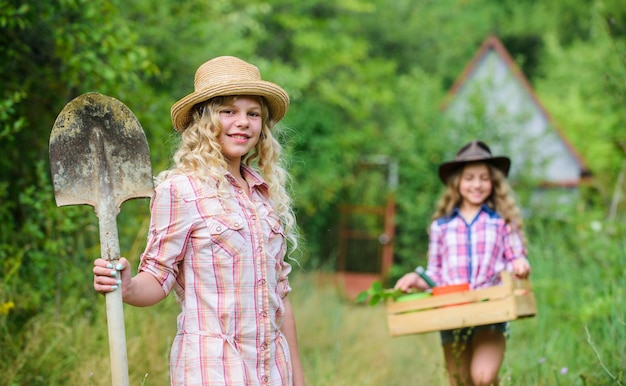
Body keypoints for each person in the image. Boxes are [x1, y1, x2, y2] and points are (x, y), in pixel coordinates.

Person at [93, 56, 305, 386]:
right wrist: (128, 286)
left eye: (253, 114)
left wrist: (297, 379)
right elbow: (158, 277)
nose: (243, 123)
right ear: (204, 120)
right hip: (213, 370)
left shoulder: (264, 197)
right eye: (228, 111)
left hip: (272, 371)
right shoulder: (180, 189)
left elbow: (281, 299)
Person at [394, 140, 531, 386]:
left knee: (482, 377)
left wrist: (520, 264)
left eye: (483, 178)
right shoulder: (442, 227)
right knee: (460, 381)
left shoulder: (502, 223)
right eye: (469, 178)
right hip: (452, 311)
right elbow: (436, 272)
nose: (476, 185)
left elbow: (515, 256)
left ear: (493, 183)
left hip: (491, 310)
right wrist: (417, 278)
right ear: (457, 182)